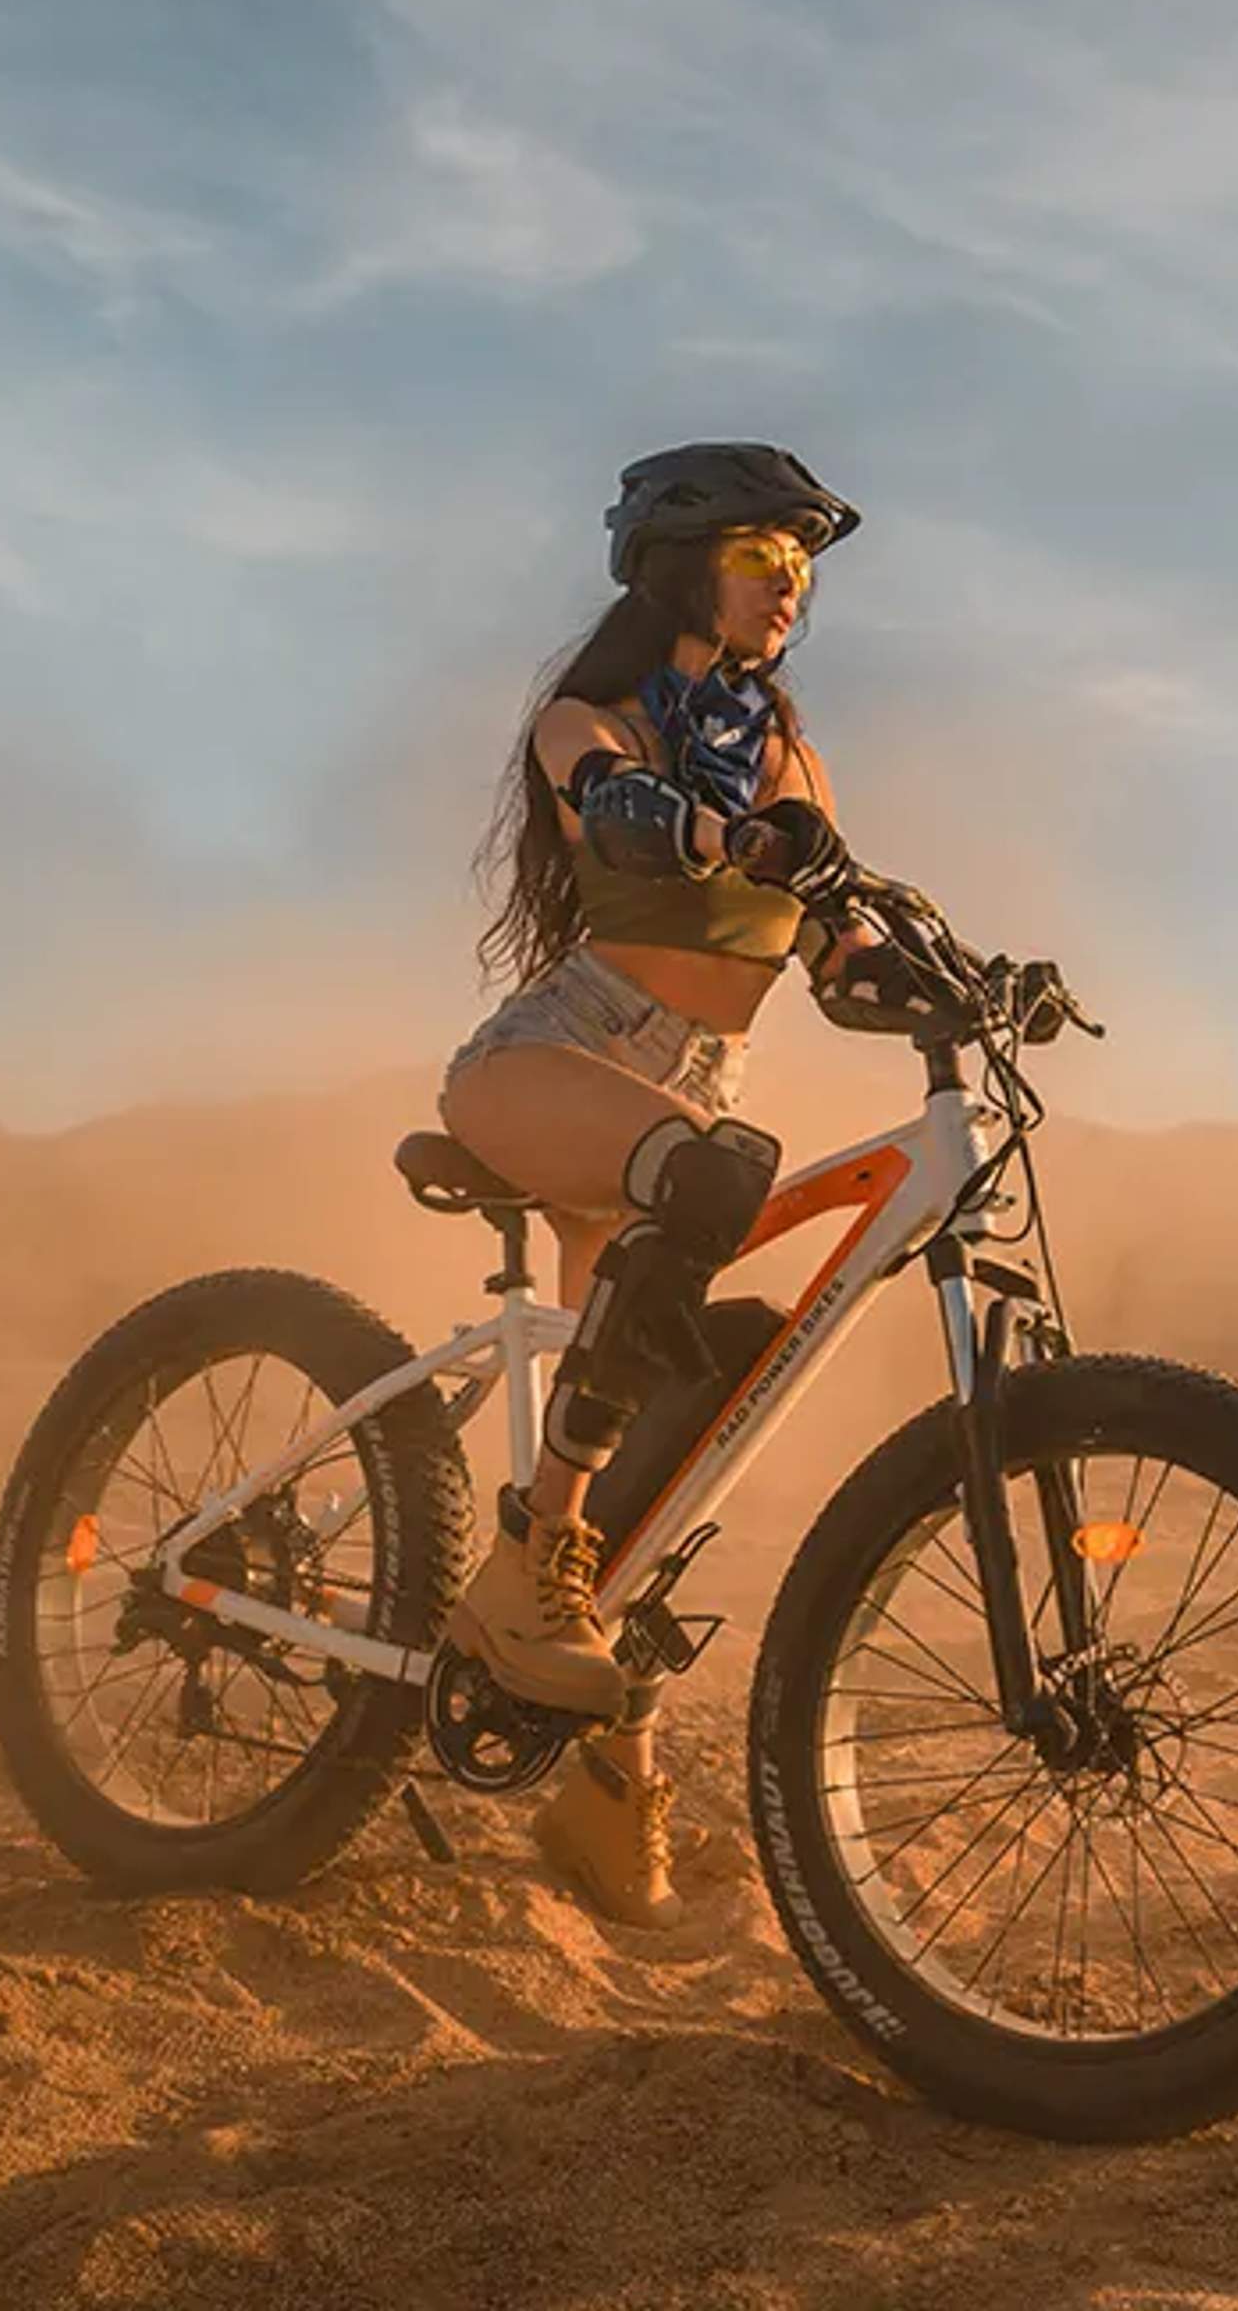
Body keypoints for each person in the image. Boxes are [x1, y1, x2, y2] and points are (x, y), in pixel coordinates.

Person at [434, 441, 906, 1926]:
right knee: (706, 1189)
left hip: (689, 1093)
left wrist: (915, 964)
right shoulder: (596, 717)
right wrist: (711, 826)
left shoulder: (789, 753)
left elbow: (835, 941)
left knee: (697, 1407)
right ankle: (526, 1571)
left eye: (806, 572)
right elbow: (619, 807)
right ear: (686, 568)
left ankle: (600, 1764)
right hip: (558, 1060)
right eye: (774, 561)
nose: (795, 593)